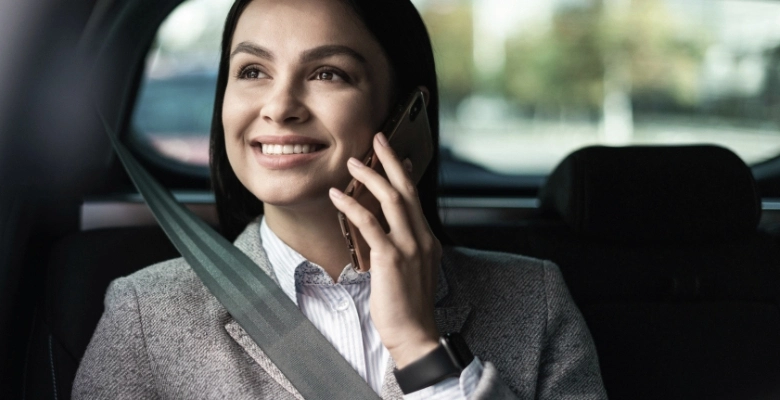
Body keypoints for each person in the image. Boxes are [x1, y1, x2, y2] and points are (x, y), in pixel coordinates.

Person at [72, 0, 606, 398]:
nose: (279, 107)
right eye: (252, 71)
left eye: (327, 73)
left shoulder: (533, 301)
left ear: (404, 114)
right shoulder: (146, 315)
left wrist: (423, 354)